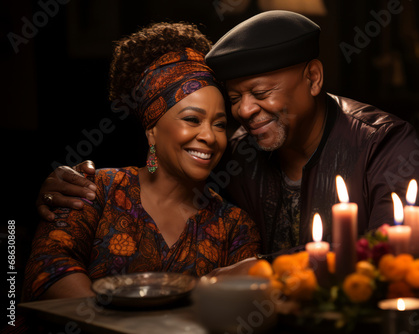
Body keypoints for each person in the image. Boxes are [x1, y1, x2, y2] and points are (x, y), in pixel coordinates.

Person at [36, 11, 419, 257]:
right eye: (235, 97)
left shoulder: (383, 144)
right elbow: (164, 177)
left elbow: (399, 263)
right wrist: (65, 187)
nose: (244, 111)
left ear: (314, 77)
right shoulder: (236, 152)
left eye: (260, 93)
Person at [23, 22, 260, 301]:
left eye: (219, 124)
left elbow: (242, 303)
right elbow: (49, 268)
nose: (209, 136)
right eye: (192, 120)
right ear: (152, 131)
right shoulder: (93, 190)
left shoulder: (234, 226)